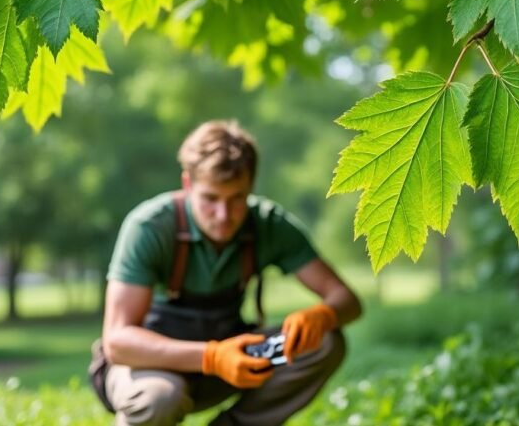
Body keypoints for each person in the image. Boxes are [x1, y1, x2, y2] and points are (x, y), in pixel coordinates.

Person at [92, 120, 362, 426]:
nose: (223, 215)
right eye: (210, 199)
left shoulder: (268, 225)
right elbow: (117, 342)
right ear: (187, 184)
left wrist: (322, 315)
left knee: (324, 342)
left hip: (235, 360)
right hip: (153, 369)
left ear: (251, 186)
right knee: (158, 399)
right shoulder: (150, 227)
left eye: (236, 199)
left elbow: (347, 300)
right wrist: (212, 357)